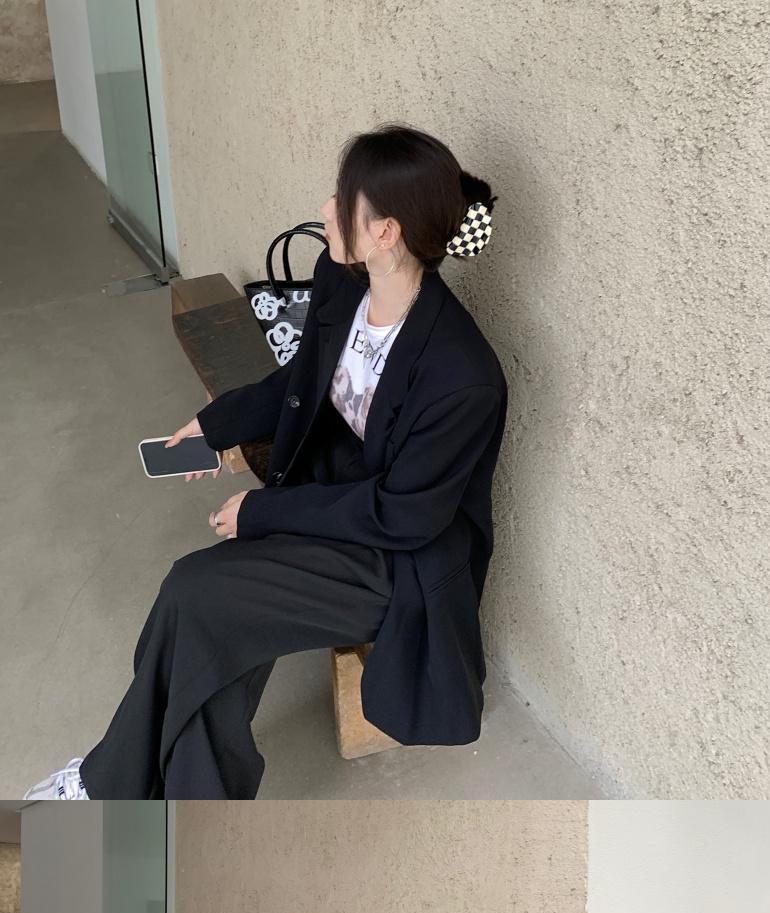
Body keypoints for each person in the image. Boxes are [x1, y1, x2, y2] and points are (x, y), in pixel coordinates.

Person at [25, 127, 505, 803]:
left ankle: (109, 784)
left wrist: (262, 511)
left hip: (399, 563)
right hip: (340, 501)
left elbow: (404, 516)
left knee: (199, 594)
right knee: (206, 611)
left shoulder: (462, 375)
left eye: (342, 198)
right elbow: (300, 380)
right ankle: (144, 792)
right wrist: (216, 423)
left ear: (386, 231)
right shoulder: (345, 283)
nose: (327, 206)